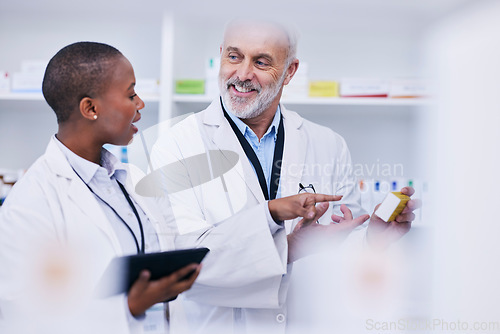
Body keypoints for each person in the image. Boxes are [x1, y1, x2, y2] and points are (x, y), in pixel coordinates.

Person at [150, 19, 419, 334]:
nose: (243, 74)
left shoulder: (328, 145)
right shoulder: (179, 144)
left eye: (261, 62)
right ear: (221, 54)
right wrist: (288, 245)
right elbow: (181, 263)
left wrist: (372, 239)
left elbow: (338, 250)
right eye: (234, 57)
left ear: (290, 71)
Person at [0, 42, 202, 334]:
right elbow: (20, 316)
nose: (140, 104)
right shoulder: (32, 200)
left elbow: (179, 246)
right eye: (131, 94)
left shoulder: (131, 179)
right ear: (90, 108)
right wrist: (127, 309)